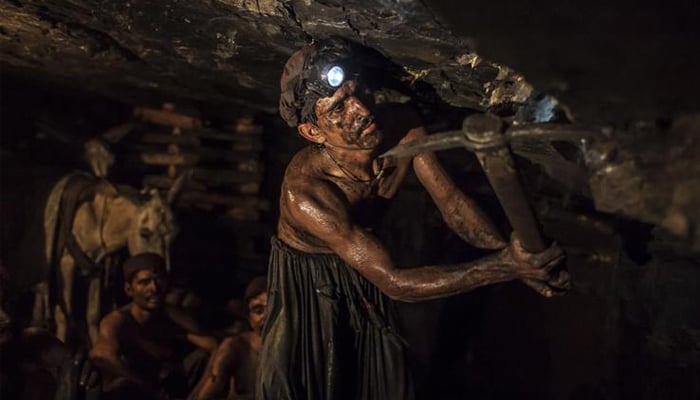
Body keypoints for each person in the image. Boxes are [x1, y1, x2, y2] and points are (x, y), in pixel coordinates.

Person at [257, 37, 568, 400]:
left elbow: (450, 202)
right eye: (339, 107)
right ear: (313, 132)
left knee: (379, 380)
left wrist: (521, 257)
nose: (361, 109)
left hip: (364, 260)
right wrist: (507, 267)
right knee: (306, 384)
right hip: (309, 284)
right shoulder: (308, 194)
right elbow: (394, 282)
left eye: (357, 92)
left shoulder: (402, 126)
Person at [90, 253, 218, 400]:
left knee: (203, 358)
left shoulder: (170, 316)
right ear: (129, 289)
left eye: (159, 279)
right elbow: (101, 355)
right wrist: (147, 388)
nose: (154, 288)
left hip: (166, 383)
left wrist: (200, 391)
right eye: (144, 282)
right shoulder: (119, 320)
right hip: (136, 389)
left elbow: (213, 345)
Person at [0, 263, 101, 400]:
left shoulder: (36, 344)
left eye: (6, 304)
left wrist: (85, 373)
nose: (6, 318)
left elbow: (84, 377)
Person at [189, 276, 268, 400]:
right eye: (258, 310)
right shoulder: (236, 347)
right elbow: (210, 390)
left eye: (273, 309)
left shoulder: (299, 348)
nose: (267, 317)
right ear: (250, 319)